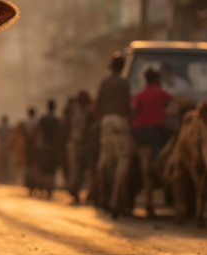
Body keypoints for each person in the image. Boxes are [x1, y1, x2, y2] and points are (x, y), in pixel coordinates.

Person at [95, 52, 133, 219]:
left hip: (106, 123)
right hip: (120, 123)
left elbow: (98, 105)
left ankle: (103, 195)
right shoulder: (124, 83)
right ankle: (115, 200)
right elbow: (127, 106)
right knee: (123, 162)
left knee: (104, 161)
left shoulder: (104, 82)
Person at [131, 67, 172, 218]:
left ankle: (148, 201)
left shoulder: (139, 94)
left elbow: (133, 109)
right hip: (155, 133)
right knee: (154, 165)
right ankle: (159, 174)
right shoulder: (160, 92)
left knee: (143, 167)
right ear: (157, 79)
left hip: (140, 133)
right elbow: (173, 101)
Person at [67, 90, 95, 205]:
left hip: (76, 143)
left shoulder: (74, 111)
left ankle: (76, 192)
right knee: (88, 170)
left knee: (77, 170)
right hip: (84, 144)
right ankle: (88, 193)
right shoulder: (88, 111)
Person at [35, 99, 63, 199]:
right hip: (53, 148)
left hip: (43, 147)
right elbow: (59, 136)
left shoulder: (43, 119)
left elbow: (39, 134)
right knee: (51, 170)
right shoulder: (57, 121)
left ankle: (42, 188)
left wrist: (39, 146)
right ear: (54, 107)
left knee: (43, 169)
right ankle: (49, 190)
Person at [21, 106, 40, 195]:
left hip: (28, 147)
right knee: (34, 166)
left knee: (28, 166)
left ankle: (29, 185)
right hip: (35, 147)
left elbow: (24, 134)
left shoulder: (25, 123)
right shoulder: (36, 122)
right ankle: (34, 184)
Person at [0, 114, 12, 184]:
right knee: (6, 164)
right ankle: (5, 178)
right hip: (7, 148)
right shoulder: (9, 128)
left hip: (0, 147)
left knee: (0, 164)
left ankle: (0, 178)